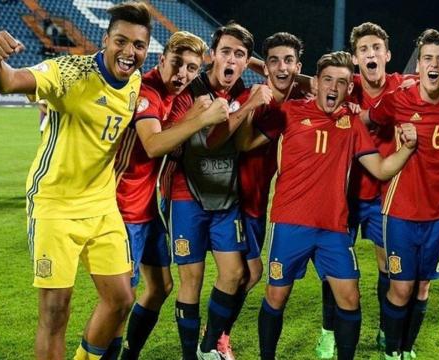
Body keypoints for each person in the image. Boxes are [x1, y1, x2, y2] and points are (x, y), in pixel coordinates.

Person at [318, 21, 439, 358]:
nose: (370, 54)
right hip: (347, 194)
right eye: (363, 50)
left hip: (387, 196)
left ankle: (393, 340)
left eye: (376, 48)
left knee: (395, 274)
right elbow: (317, 87)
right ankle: (328, 332)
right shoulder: (348, 85)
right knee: (337, 269)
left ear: (388, 54)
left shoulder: (403, 85)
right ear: (356, 59)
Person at [0, 2, 152, 359]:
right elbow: (10, 82)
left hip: (102, 206)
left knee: (121, 299)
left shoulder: (135, 80)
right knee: (56, 311)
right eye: (121, 41)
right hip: (55, 205)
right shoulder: (70, 71)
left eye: (138, 45)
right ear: (105, 40)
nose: (129, 52)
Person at [239, 51, 417, 360]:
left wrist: (408, 148)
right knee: (276, 295)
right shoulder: (289, 112)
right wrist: (247, 108)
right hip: (290, 224)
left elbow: (381, 169)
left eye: (343, 82)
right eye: (328, 80)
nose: (334, 87)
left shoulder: (352, 123)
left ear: (349, 88)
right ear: (317, 83)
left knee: (350, 297)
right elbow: (245, 144)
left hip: (334, 228)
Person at [113, 31, 229, 360]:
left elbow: (172, 135)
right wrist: (202, 117)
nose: (183, 74)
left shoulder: (173, 94)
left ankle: (128, 354)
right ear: (161, 59)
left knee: (161, 286)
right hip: (122, 206)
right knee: (120, 298)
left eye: (192, 69)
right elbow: (152, 145)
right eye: (178, 64)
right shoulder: (147, 89)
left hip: (146, 205)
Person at [167, 22, 266, 360]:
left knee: (236, 273)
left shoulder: (242, 91)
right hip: (187, 195)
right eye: (225, 51)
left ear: (247, 61)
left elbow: (239, 144)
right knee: (191, 279)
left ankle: (209, 347)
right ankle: (188, 355)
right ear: (212, 55)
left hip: (226, 199)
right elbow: (208, 144)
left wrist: (249, 97)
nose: (231, 60)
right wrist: (250, 106)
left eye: (240, 55)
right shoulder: (192, 89)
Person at [363, 28, 439, 360]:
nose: (433, 65)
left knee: (422, 287)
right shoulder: (397, 100)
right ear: (417, 64)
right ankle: (392, 350)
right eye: (427, 58)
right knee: (401, 287)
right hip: (400, 211)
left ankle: (407, 348)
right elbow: (367, 120)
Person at [218, 31, 306, 360]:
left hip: (258, 199)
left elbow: (318, 81)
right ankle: (215, 337)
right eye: (274, 60)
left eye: (288, 61)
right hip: (237, 196)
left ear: (298, 64)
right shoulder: (259, 97)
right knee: (246, 273)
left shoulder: (296, 96)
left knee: (247, 274)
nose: (282, 67)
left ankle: (216, 335)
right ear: (265, 67)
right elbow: (242, 144)